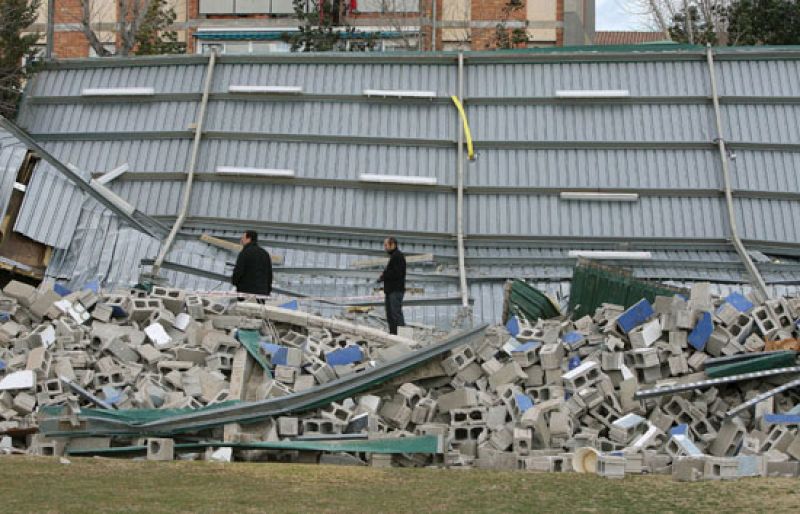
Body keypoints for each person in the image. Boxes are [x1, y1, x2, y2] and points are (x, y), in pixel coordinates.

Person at [232, 230, 272, 299]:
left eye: (243, 238)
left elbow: (238, 271)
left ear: (249, 239)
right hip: (262, 293)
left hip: (245, 292)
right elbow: (269, 274)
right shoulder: (265, 253)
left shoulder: (245, 252)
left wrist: (235, 282)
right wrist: (267, 290)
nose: (241, 240)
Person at [378, 236, 406, 335]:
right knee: (390, 314)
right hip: (390, 290)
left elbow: (396, 273)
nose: (385, 248)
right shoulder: (394, 256)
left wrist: (384, 275)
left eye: (386, 245)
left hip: (395, 290)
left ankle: (402, 336)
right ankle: (393, 334)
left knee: (396, 314)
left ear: (393, 245)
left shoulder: (398, 256)